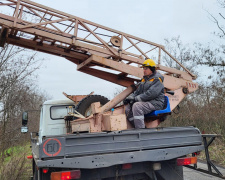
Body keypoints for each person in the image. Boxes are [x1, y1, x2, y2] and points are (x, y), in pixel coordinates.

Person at [124, 59, 165, 129]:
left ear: (151, 69)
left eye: (146, 69)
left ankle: (141, 131)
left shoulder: (157, 79)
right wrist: (129, 98)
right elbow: (137, 92)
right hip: (147, 102)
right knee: (127, 109)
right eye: (143, 68)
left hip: (156, 103)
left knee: (137, 106)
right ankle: (141, 127)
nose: (144, 70)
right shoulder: (144, 79)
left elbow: (151, 94)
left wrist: (135, 99)